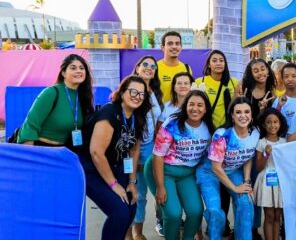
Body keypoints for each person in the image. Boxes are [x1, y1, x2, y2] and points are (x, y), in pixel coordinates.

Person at [80, 75, 151, 240]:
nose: (137, 96)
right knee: (119, 212)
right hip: (92, 169)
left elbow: (134, 150)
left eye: (141, 94)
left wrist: (132, 182)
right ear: (123, 91)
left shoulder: (137, 116)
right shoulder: (110, 112)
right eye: (133, 91)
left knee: (131, 205)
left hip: (117, 166)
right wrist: (114, 185)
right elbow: (96, 152)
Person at [147, 90, 214, 240]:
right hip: (162, 170)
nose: (195, 109)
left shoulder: (208, 127)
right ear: (185, 106)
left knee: (196, 211)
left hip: (187, 174)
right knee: (173, 213)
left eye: (200, 105)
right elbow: (157, 156)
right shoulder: (172, 124)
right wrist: (160, 186)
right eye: (191, 104)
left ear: (206, 109)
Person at [196, 96, 259, 240]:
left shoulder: (255, 132)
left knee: (246, 203)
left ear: (251, 114)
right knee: (214, 211)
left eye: (246, 112)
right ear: (232, 115)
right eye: (238, 112)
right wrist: (235, 188)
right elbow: (216, 167)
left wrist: (247, 181)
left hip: (233, 170)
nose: (243, 116)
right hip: (210, 172)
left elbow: (248, 155)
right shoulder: (222, 135)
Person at [17, 53, 95, 148]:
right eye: (73, 68)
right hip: (41, 149)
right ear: (63, 73)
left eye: (82, 68)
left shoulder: (83, 96)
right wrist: (28, 156)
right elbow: (30, 125)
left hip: (64, 150)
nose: (78, 71)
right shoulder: (51, 93)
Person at [130, 56, 164, 240]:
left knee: (159, 190)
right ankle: (135, 232)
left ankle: (152, 226)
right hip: (137, 147)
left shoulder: (153, 92)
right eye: (145, 64)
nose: (149, 68)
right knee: (138, 193)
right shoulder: (131, 89)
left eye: (153, 66)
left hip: (152, 148)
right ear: (137, 67)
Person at [254, 108, 288, 240]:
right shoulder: (261, 143)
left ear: (280, 124)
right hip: (266, 182)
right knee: (269, 216)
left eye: (275, 122)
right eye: (269, 122)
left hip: (280, 182)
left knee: (277, 217)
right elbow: (258, 166)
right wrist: (266, 154)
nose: (272, 125)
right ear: (264, 125)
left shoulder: (284, 142)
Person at [195, 49, 239, 128]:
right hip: (205, 128)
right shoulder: (199, 82)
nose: (218, 63)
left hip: (229, 129)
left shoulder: (234, 83)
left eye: (221, 61)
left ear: (225, 64)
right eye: (214, 61)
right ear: (209, 64)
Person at [157, 31, 192, 103]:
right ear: (162, 48)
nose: (174, 46)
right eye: (170, 43)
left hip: (182, 112)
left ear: (181, 47)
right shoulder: (155, 67)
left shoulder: (187, 68)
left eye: (177, 43)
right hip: (160, 113)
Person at [241, 58, 277, 126]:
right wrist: (240, 102)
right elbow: (232, 110)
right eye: (256, 71)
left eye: (263, 69)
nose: (260, 73)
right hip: (246, 129)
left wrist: (262, 110)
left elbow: (275, 114)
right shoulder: (244, 88)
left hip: (264, 129)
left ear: (267, 70)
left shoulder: (271, 90)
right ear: (251, 74)